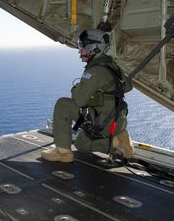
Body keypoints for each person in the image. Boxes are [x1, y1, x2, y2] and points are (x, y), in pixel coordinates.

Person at [41, 28, 134, 163]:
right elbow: (127, 86)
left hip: (103, 123)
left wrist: (76, 89)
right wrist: (101, 95)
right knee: (80, 144)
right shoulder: (112, 65)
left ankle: (63, 153)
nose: (79, 51)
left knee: (63, 104)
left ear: (95, 49)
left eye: (82, 48)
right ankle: (116, 141)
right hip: (118, 121)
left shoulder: (94, 72)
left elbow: (79, 100)